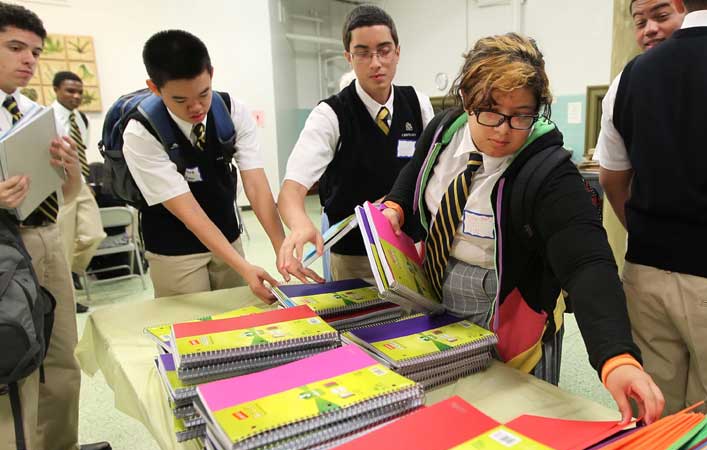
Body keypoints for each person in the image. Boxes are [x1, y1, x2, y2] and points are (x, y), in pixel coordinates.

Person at [381, 32, 665, 424]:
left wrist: (616, 356)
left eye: (521, 115)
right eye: (491, 111)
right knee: (443, 405)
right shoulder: (444, 132)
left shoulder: (548, 173)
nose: (503, 129)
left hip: (511, 305)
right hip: (438, 290)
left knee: (510, 417)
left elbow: (586, 262)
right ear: (466, 98)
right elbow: (415, 172)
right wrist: (397, 203)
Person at [595, 0, 707, 421]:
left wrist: (643, 230)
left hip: (647, 276)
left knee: (652, 417)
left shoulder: (629, 78)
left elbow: (611, 178)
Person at [0, 3, 111, 450]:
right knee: (14, 353)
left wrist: (66, 169)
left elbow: (68, 188)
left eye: (35, 51)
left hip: (46, 234)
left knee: (61, 348)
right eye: (15, 47)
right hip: (5, 245)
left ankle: (58, 448)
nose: (28, 59)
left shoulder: (35, 112)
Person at [123, 30, 288, 301]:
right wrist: (245, 267)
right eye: (180, 100)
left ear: (211, 73)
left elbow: (256, 185)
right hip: (175, 251)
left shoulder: (231, 110)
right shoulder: (141, 133)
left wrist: (282, 247)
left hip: (228, 234)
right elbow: (189, 213)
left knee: (240, 321)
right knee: (192, 330)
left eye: (203, 93)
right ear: (154, 87)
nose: (196, 107)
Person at [277, 5, 434, 283]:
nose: (375, 62)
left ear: (397, 52)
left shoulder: (417, 104)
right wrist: (300, 224)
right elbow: (291, 190)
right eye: (363, 53)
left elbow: (431, 172)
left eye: (384, 50)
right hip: (355, 257)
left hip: (410, 249)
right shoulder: (330, 115)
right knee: (358, 325)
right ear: (348, 57)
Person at [598, 0, 686, 227]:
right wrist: (638, 232)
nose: (650, 29)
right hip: (653, 244)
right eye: (640, 23)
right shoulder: (624, 84)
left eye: (662, 16)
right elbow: (612, 179)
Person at [52, 70, 106, 313]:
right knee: (62, 243)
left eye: (79, 92)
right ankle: (68, 300)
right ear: (56, 90)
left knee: (93, 234)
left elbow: (80, 154)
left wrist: (88, 184)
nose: (76, 96)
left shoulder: (81, 119)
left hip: (81, 182)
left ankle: (72, 270)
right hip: (58, 184)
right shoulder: (46, 117)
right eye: (70, 91)